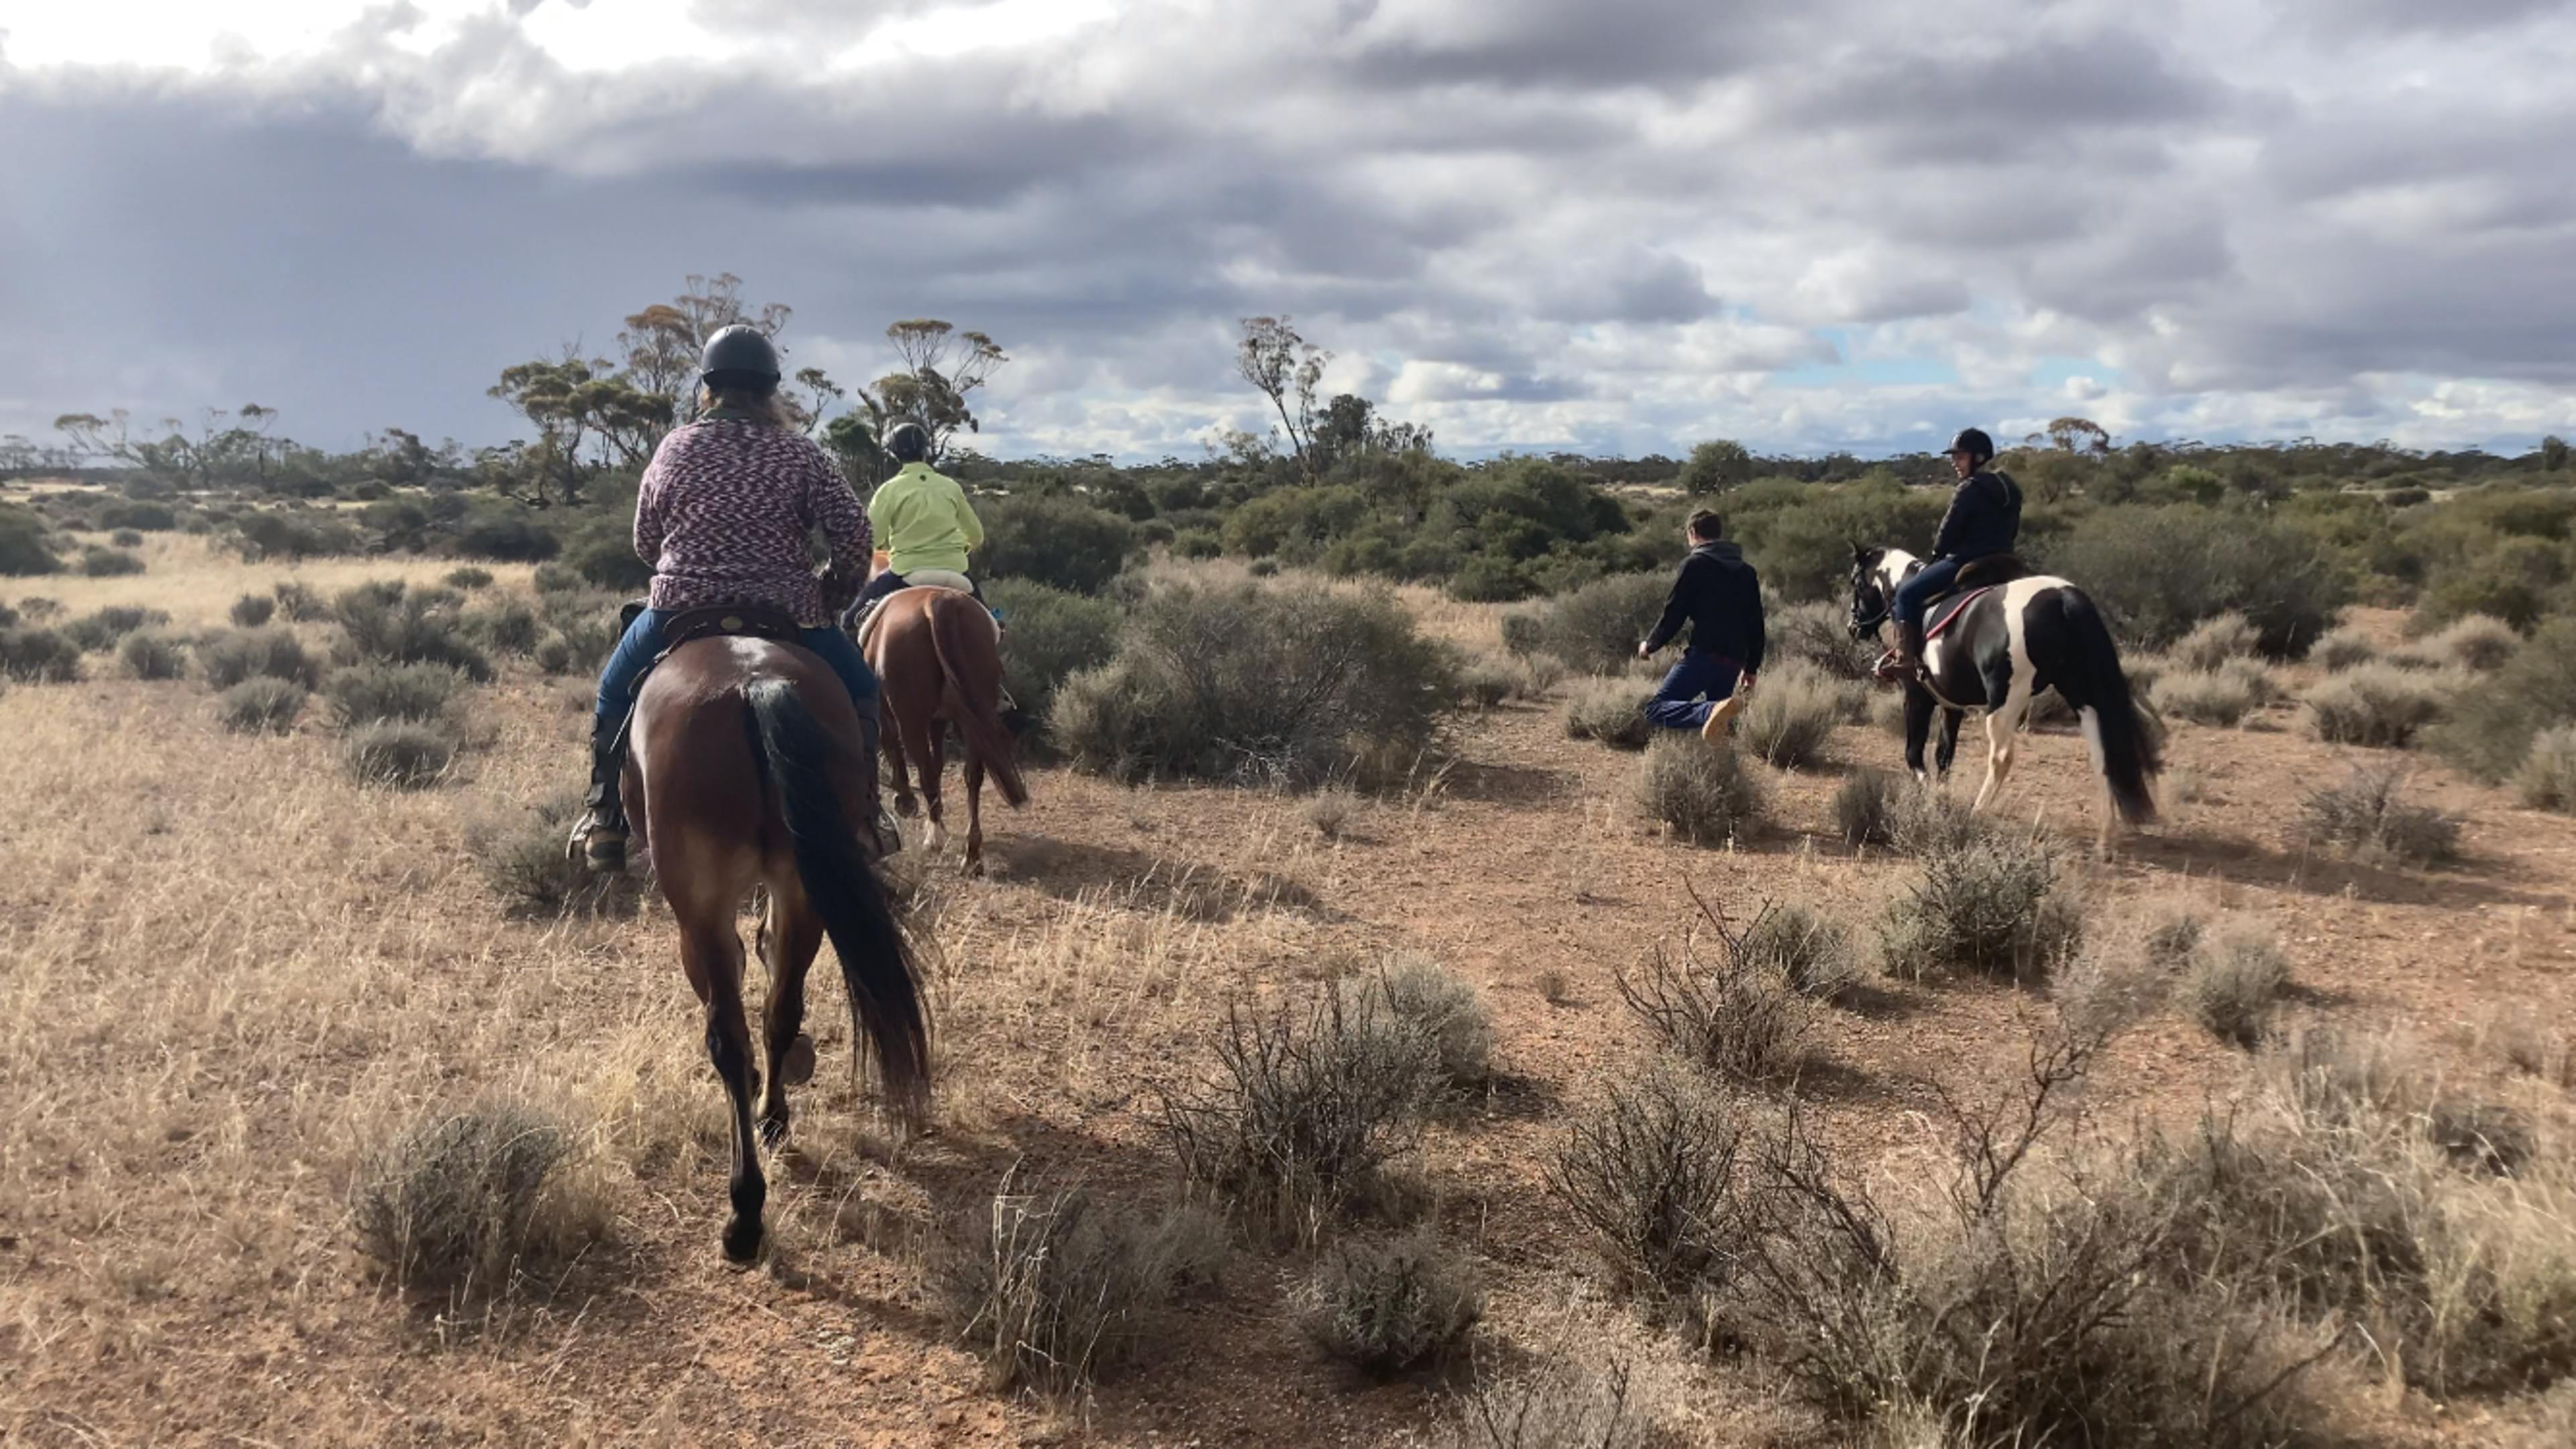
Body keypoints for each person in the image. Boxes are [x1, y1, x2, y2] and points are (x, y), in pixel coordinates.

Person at [572, 324, 887, 871]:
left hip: (681, 610)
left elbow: (646, 542)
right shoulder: (800, 452)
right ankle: (866, 815)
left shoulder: (674, 448)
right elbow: (855, 533)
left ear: (707, 387)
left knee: (612, 693)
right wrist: (828, 598)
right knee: (861, 689)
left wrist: (690, 563)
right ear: (771, 389)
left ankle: (606, 822)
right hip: (789, 610)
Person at [1877, 427, 2024, 682]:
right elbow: (2013, 529)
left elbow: (1948, 531)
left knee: (1906, 594)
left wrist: (1937, 554)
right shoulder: (2010, 489)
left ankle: (1905, 659)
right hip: (2006, 560)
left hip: (1967, 561)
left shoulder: (1969, 488)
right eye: (1953, 457)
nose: (1955, 463)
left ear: (1979, 458)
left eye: (1960, 457)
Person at [841, 421, 988, 631]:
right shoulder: (950, 487)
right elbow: (976, 535)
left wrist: (885, 547)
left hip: (907, 572)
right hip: (955, 572)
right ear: (926, 451)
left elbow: (871, 539)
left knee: (848, 621)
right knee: (991, 626)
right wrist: (961, 550)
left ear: (894, 454)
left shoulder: (888, 490)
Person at [1636, 508, 1764, 743]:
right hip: (1734, 660)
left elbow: (1675, 613)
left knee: (1656, 710)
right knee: (1718, 729)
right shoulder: (1747, 572)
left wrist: (1651, 645)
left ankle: (1707, 711)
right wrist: (1752, 667)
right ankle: (1721, 772)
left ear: (1693, 533)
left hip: (1705, 653)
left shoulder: (1695, 563)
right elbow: (1755, 621)